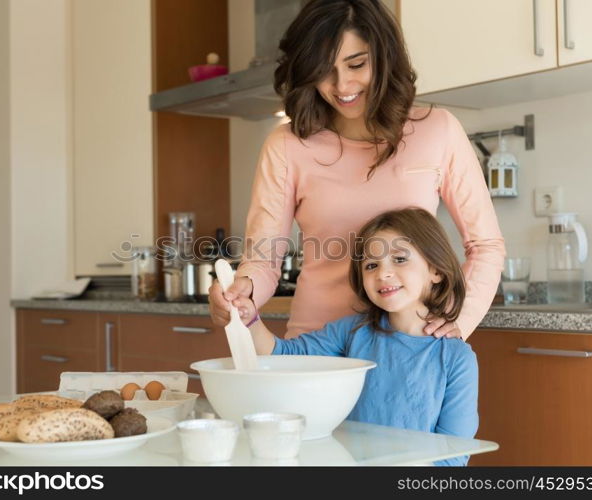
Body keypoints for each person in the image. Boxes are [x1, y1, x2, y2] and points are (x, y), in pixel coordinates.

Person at [209, 0, 505, 340]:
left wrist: (459, 320)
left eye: (356, 64)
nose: (342, 85)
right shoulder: (287, 145)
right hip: (317, 347)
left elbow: (486, 246)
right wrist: (242, 289)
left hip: (407, 348)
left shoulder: (437, 130)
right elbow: (263, 260)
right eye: (324, 70)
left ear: (383, 56)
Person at [235, 208, 478, 466]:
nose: (383, 273)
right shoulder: (350, 333)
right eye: (372, 265)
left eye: (399, 259)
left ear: (436, 270)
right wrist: (249, 320)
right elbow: (281, 356)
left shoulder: (456, 358)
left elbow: (454, 454)